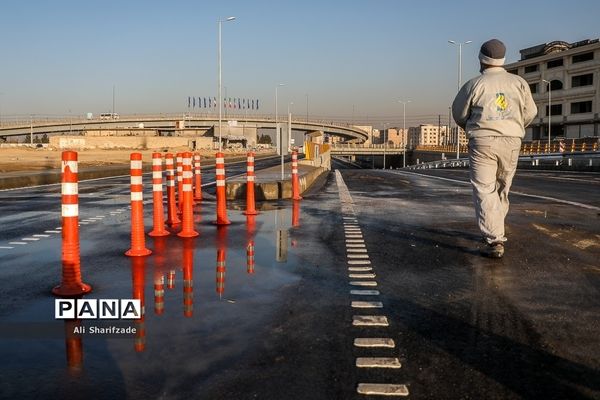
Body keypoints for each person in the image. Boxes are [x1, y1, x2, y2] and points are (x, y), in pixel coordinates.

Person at [452, 39, 537, 258]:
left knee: (484, 188)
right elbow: (530, 113)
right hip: (512, 140)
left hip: (482, 141)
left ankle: (495, 238)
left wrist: (472, 127)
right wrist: (514, 126)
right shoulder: (519, 83)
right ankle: (496, 230)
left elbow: (459, 114)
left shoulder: (474, 84)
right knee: (502, 186)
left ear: (481, 59)